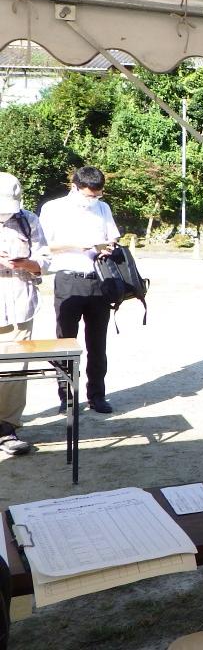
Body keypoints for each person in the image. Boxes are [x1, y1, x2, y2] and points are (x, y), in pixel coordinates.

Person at [39, 166, 121, 414]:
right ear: (74, 187)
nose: (93, 199)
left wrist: (107, 247)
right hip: (68, 279)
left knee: (98, 343)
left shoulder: (102, 208)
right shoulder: (53, 209)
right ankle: (67, 396)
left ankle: (97, 395)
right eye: (89, 195)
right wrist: (77, 245)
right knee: (65, 341)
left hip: (98, 280)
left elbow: (113, 237)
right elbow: (44, 245)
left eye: (98, 195)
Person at [0, 173, 49, 456]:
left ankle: (7, 428)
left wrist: (28, 264)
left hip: (20, 307)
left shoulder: (28, 220)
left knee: (15, 370)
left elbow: (45, 259)